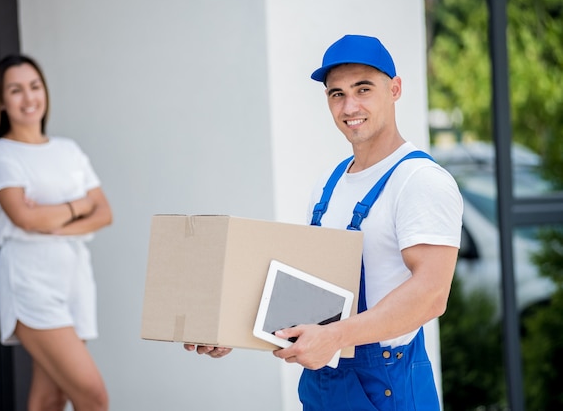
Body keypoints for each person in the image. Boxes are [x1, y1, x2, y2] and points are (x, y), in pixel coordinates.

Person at [185, 34, 463, 410]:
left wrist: (335, 337)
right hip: (324, 384)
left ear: (395, 89)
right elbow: (309, 296)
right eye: (337, 94)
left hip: (386, 387)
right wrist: (231, 328)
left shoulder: (419, 181)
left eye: (363, 89)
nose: (350, 106)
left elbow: (431, 294)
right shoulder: (329, 185)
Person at [0, 54, 112, 411]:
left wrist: (56, 220)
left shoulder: (68, 150)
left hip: (74, 280)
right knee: (93, 397)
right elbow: (25, 219)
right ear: (2, 102)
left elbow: (105, 213)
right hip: (31, 281)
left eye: (34, 87)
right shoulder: (1, 154)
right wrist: (77, 206)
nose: (28, 97)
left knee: (51, 397)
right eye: (16, 90)